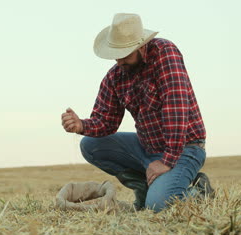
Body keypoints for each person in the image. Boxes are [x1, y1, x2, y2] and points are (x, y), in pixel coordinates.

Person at [61, 13, 214, 212]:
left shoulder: (165, 52)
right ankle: (143, 186)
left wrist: (166, 161)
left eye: (126, 54)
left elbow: (175, 106)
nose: (120, 60)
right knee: (90, 144)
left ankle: (198, 191)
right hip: (147, 147)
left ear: (141, 46)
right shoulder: (115, 76)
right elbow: (106, 121)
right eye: (116, 54)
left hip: (184, 148)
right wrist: (81, 125)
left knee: (158, 206)